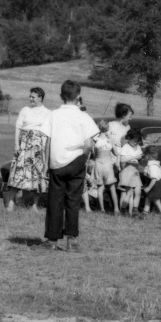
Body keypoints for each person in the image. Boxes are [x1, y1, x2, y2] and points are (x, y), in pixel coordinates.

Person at [42, 79, 100, 251]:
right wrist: (83, 157)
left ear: (61, 96)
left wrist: (46, 164)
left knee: (55, 201)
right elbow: (89, 144)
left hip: (57, 162)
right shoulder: (84, 117)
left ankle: (52, 241)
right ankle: (72, 240)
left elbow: (47, 142)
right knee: (73, 201)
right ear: (79, 97)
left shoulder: (53, 114)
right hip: (77, 161)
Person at [7, 87, 51, 210]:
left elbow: (48, 132)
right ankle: (11, 202)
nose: (30, 98)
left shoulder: (48, 112)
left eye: (33, 97)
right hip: (24, 145)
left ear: (40, 98)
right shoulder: (25, 110)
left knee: (36, 174)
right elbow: (18, 127)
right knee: (19, 173)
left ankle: (35, 205)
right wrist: (16, 144)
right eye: (30, 96)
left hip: (38, 147)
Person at [87, 132, 119, 214]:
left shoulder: (95, 140)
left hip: (98, 163)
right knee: (112, 188)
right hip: (108, 164)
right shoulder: (110, 140)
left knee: (100, 188)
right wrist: (117, 162)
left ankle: (102, 209)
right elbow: (116, 153)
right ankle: (116, 209)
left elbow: (93, 153)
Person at [117, 128, 144, 215]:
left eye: (137, 141)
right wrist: (134, 157)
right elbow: (122, 159)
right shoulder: (126, 147)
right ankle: (123, 209)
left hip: (135, 170)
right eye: (134, 141)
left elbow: (138, 157)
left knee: (138, 191)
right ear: (129, 138)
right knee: (128, 193)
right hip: (128, 170)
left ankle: (135, 210)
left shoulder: (138, 147)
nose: (135, 143)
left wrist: (140, 157)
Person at [140, 145, 161, 217]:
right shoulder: (154, 165)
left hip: (154, 185)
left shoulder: (153, 167)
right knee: (151, 200)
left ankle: (145, 214)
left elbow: (154, 178)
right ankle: (146, 213)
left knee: (155, 201)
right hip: (156, 184)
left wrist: (149, 188)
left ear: (147, 156)